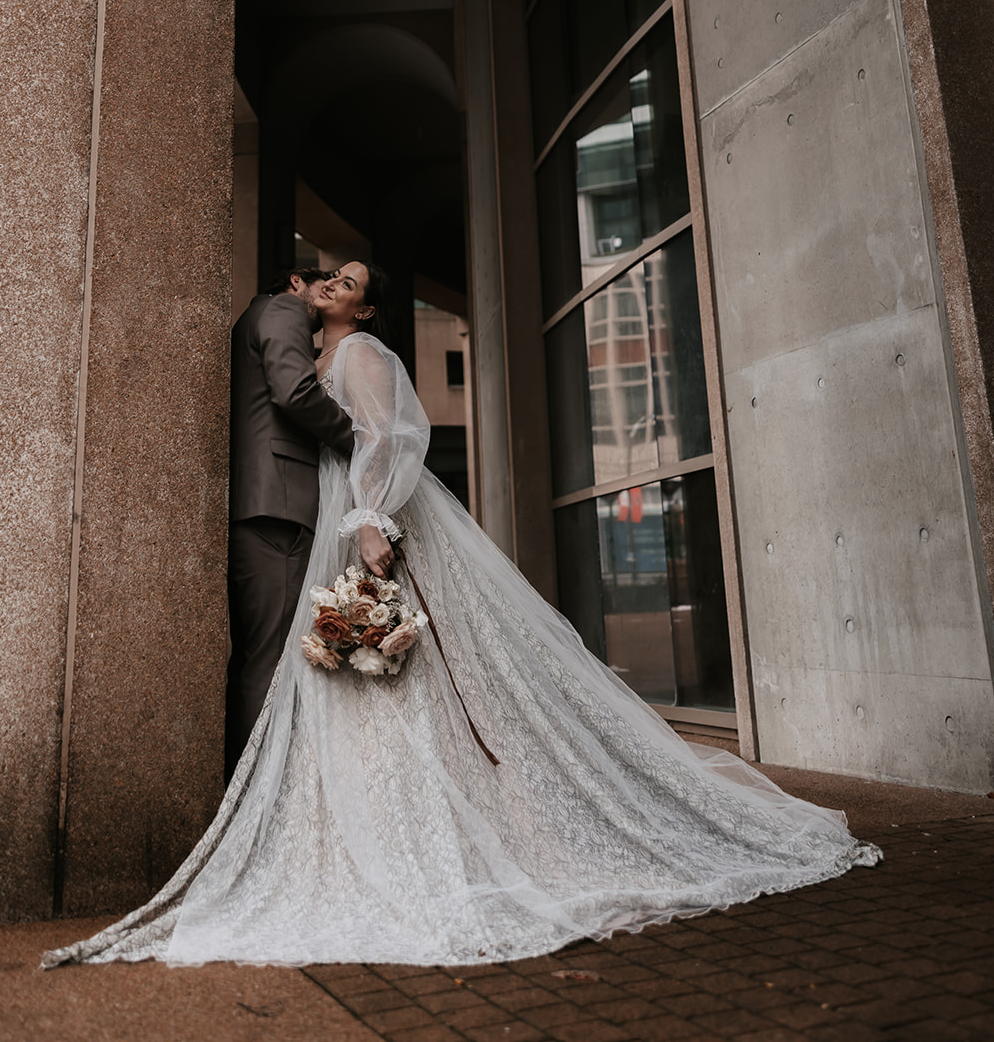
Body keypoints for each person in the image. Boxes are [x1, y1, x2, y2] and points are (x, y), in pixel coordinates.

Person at [44, 260, 880, 970]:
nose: (336, 283)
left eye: (351, 283)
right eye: (331, 274)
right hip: (332, 522)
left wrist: (368, 517)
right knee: (351, 678)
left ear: (363, 310)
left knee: (402, 676)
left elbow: (391, 439)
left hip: (359, 521)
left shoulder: (364, 351)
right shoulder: (299, 335)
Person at [224, 266, 356, 781]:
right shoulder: (281, 309)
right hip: (278, 505)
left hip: (262, 504)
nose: (326, 289)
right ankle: (254, 794)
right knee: (271, 660)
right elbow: (295, 394)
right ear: (294, 283)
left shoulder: (249, 319)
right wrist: (360, 441)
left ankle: (245, 787)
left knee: (258, 654)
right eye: (320, 280)